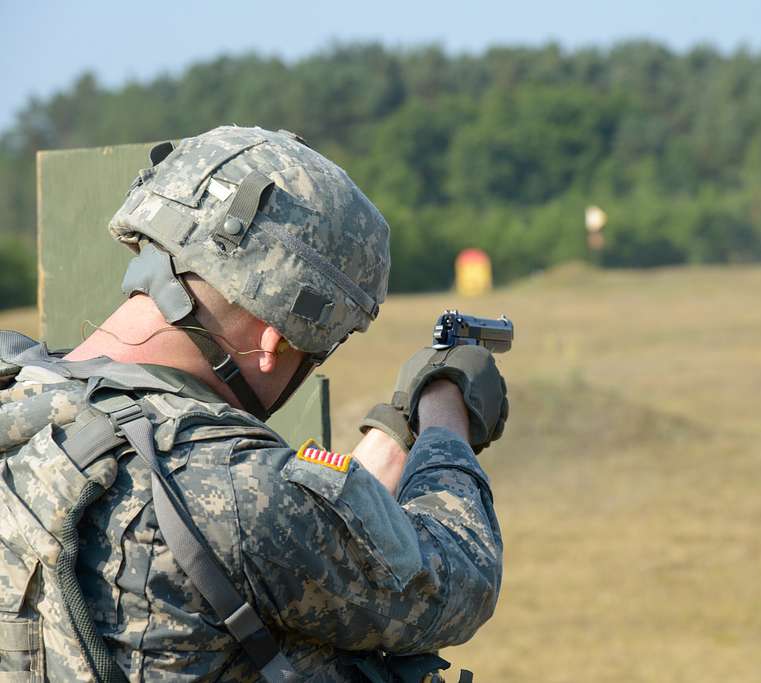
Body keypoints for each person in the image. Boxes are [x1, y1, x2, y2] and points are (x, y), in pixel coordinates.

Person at [0, 126, 508, 682]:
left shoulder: (20, 399)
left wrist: (391, 431)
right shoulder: (234, 487)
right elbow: (457, 578)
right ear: (273, 342)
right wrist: (444, 415)